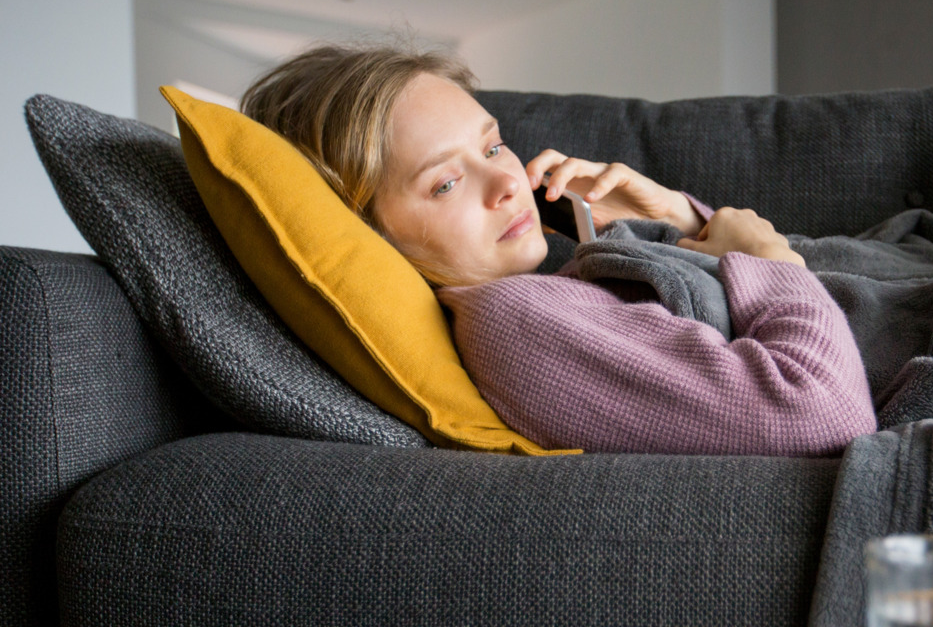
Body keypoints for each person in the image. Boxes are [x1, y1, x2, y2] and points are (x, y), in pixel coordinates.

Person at [240, 44, 877, 456]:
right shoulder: (513, 321)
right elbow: (818, 412)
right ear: (364, 233)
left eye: (492, 147)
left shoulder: (561, 279)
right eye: (445, 182)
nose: (507, 183)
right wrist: (770, 265)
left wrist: (678, 222)